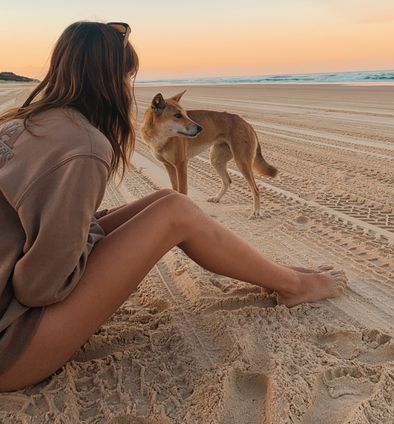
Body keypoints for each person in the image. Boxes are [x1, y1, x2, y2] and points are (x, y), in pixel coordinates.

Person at [0, 21, 347, 392]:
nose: (128, 88)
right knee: (175, 214)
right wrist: (84, 245)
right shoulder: (84, 145)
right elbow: (38, 287)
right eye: (127, 76)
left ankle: (273, 272)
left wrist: (82, 235)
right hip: (13, 344)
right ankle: (294, 286)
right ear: (109, 79)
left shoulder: (21, 122)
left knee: (170, 200)